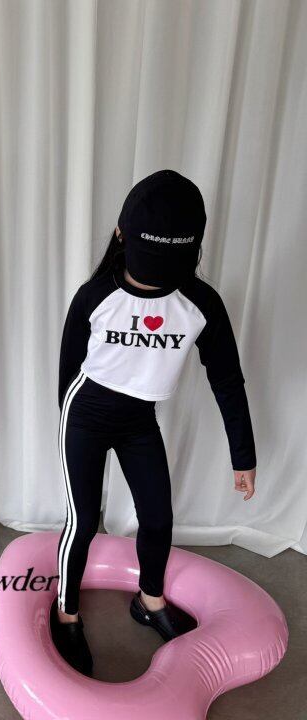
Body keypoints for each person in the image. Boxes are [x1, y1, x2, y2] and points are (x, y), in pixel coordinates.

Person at [50, 169, 257, 677]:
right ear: (121, 234)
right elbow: (68, 369)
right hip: (86, 415)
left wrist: (243, 456)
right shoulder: (94, 296)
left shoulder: (200, 304)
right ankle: (66, 612)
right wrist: (70, 432)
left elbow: (227, 379)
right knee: (84, 519)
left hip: (139, 421)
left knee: (159, 517)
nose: (158, 279)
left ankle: (150, 600)